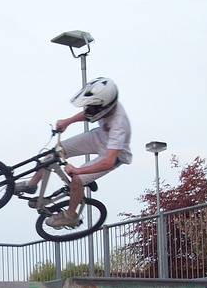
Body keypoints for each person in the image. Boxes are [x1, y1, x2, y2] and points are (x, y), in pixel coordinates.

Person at [14, 77, 132, 228]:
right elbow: (89, 113)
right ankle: (31, 184)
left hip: (114, 154)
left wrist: (78, 170)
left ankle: (71, 216)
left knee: (77, 179)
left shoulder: (119, 125)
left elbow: (108, 161)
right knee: (54, 152)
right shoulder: (103, 103)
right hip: (99, 136)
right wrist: (67, 122)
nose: (89, 109)